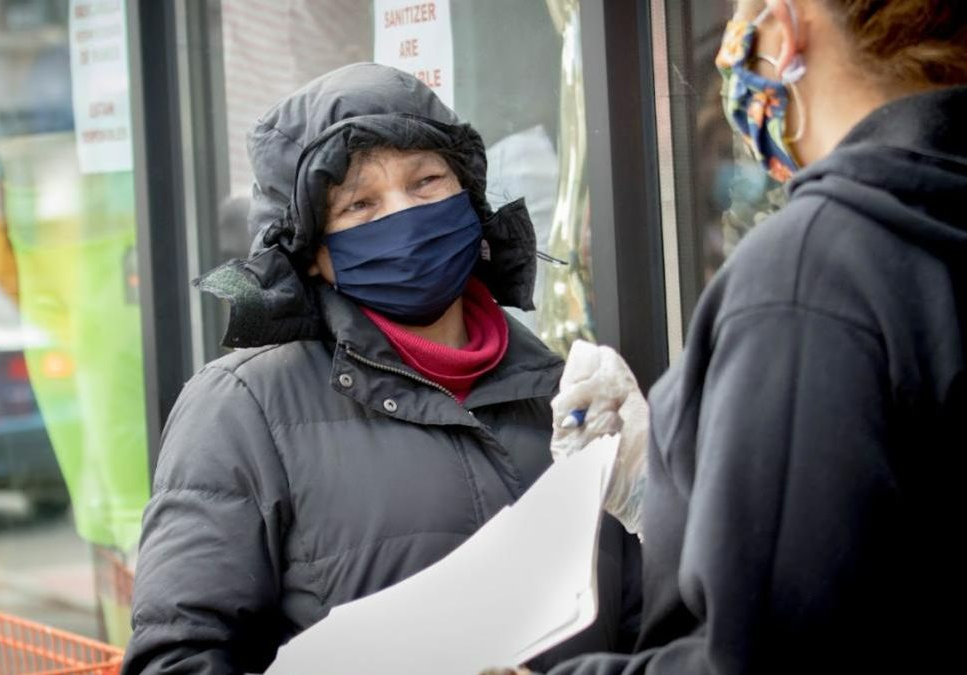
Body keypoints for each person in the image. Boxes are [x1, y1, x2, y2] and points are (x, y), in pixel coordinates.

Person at [122, 63, 642, 674]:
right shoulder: (243, 408)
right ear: (312, 254)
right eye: (360, 204)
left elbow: (648, 628)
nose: (403, 217)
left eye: (426, 181)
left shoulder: (564, 396)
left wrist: (660, 499)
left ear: (471, 203)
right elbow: (177, 658)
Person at [524, 0, 966, 673]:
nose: (736, 46)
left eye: (744, 16)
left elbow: (773, 651)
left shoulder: (814, 266)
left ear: (790, 26)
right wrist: (674, 488)